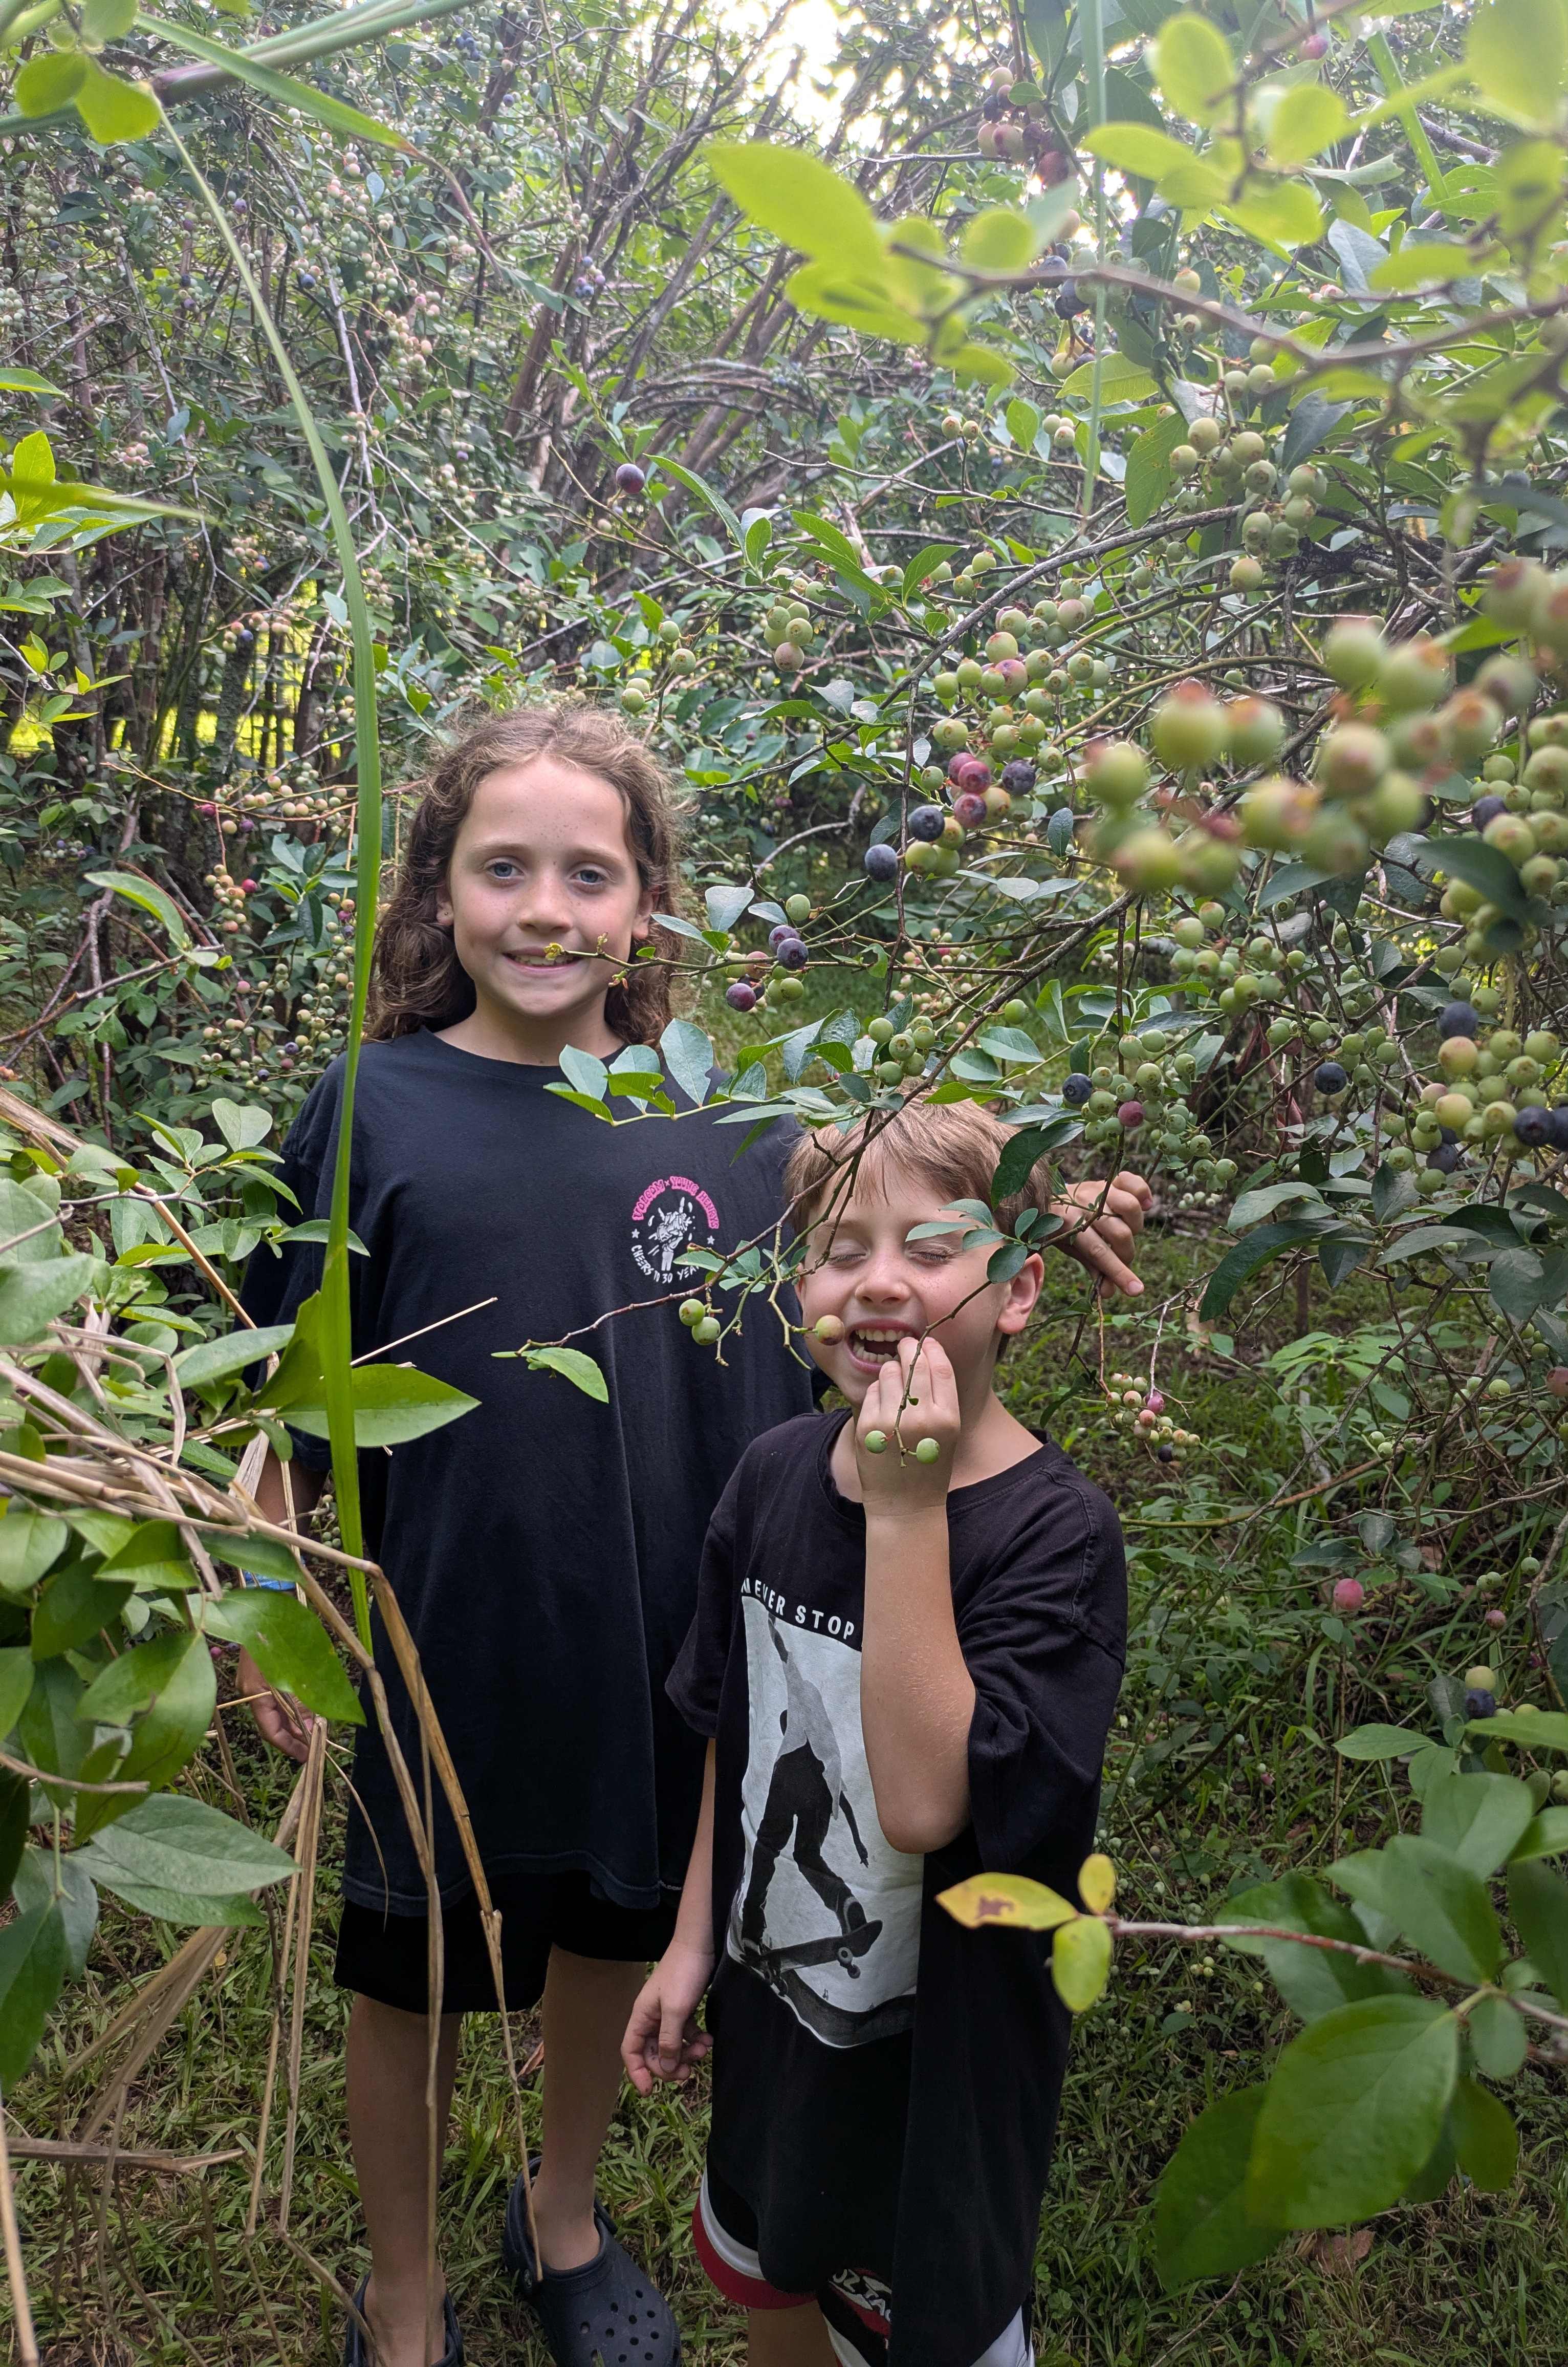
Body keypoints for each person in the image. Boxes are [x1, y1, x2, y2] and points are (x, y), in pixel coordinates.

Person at [235, 700, 1152, 2367]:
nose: (543, 906)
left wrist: (1041, 1200)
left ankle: (565, 2215)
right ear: (438, 891)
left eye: (590, 871)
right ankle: (407, 2288)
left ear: (649, 904)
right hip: (432, 1643)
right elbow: (284, 1380)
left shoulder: (727, 1121)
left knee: (602, 1932)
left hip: (659, 1649)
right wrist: (269, 1602)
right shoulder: (369, 1101)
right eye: (499, 865)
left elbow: (903, 1196)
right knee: (410, 1973)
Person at [623, 1102, 1128, 2367]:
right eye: (840, 1248)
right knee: (775, 2289)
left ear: (1016, 1290)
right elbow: (729, 1732)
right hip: (774, 2024)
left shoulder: (1053, 1540)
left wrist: (906, 1510)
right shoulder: (772, 1474)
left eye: (931, 1244)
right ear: (799, 1289)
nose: (880, 1279)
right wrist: (692, 1942)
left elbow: (922, 1805)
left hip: (937, 2089)